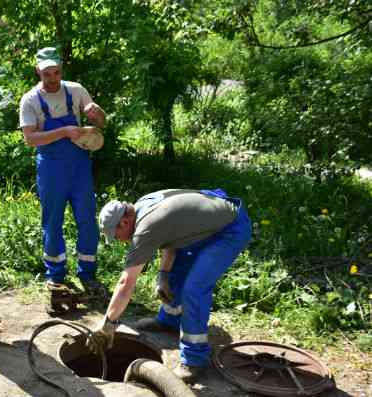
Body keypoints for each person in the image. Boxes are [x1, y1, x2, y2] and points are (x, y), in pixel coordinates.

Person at [88, 188, 252, 383]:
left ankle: (194, 359)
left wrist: (108, 324)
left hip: (228, 230)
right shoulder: (142, 205)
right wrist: (163, 275)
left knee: (195, 288)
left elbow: (126, 282)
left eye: (116, 235)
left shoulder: (145, 227)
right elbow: (170, 238)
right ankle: (170, 321)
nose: (119, 240)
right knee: (175, 273)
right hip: (207, 224)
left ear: (124, 222)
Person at [18, 47, 108, 304]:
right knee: (52, 222)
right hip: (51, 169)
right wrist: (64, 132)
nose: (53, 77)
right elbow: (30, 138)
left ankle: (88, 274)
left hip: (79, 167)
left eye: (56, 72)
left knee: (87, 220)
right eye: (47, 73)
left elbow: (100, 123)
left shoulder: (76, 91)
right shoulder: (30, 100)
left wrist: (96, 112)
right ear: (38, 71)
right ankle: (55, 275)